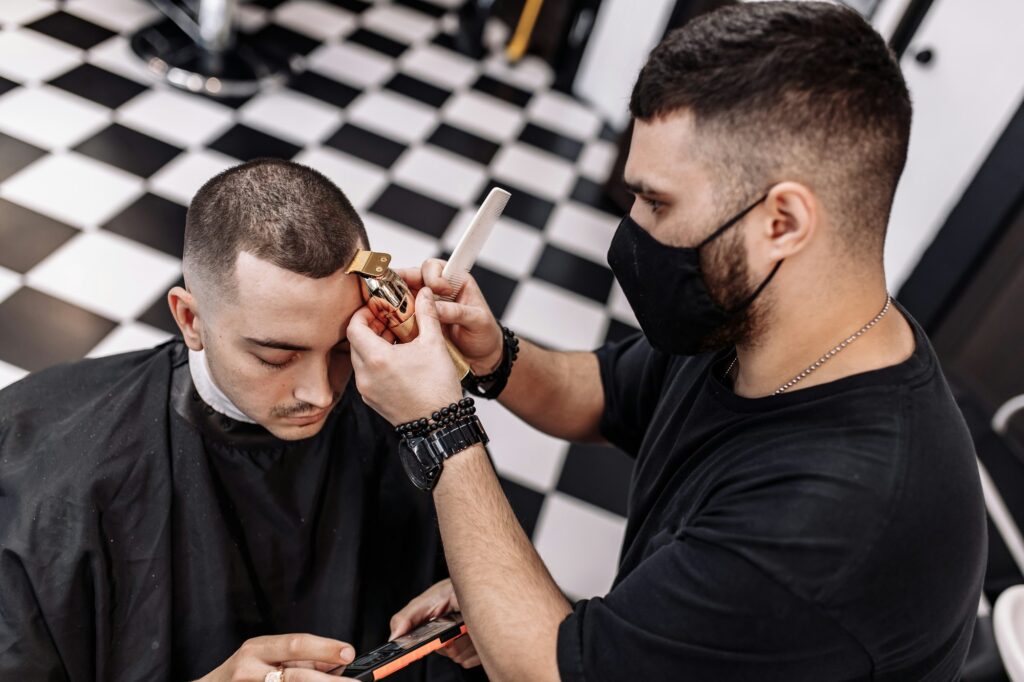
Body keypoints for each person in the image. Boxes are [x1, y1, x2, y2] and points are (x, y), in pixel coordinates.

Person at [345, 3, 987, 680]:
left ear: (782, 222)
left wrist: (439, 427)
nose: (632, 229)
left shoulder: (838, 519)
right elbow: (601, 394)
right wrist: (491, 355)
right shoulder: (760, 323)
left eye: (657, 203)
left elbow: (548, 673)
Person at [0, 159, 475, 682]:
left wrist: (482, 609)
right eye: (275, 357)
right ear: (190, 319)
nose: (320, 393)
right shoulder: (45, 464)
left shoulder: (405, 411)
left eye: (344, 348)